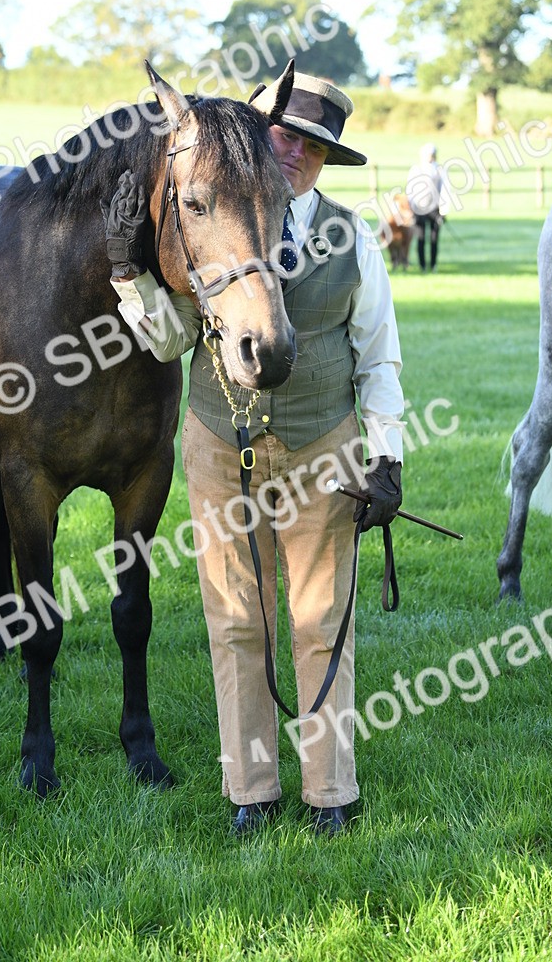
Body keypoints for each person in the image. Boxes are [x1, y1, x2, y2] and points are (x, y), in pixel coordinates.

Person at [105, 71, 404, 836]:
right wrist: (128, 273)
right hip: (218, 441)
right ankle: (250, 790)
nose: (294, 151)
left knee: (320, 618)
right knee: (234, 617)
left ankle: (330, 792)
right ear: (262, 140)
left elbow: (379, 356)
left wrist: (388, 457)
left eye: (312, 143)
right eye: (283, 135)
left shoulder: (352, 237)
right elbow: (172, 342)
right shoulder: (217, 224)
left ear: (326, 159)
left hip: (322, 446)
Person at [406, 143, 446, 272]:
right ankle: (422, 265)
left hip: (435, 209)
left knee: (434, 239)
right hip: (419, 209)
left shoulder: (439, 170)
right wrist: (411, 208)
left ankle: (433, 264)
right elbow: (410, 190)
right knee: (421, 238)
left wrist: (444, 210)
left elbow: (445, 189)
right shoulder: (416, 169)